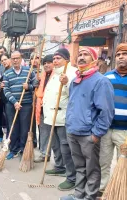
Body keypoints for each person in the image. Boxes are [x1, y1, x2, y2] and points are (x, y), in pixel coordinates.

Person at [60, 48, 115, 200]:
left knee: (92, 169)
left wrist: (96, 134)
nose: (81, 58)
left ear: (94, 60)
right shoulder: (75, 81)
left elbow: (106, 112)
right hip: (73, 130)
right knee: (79, 167)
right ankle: (79, 195)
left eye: (86, 55)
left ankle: (89, 197)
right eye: (80, 55)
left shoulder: (100, 81)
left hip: (88, 134)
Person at [43, 48, 77, 191]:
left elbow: (74, 93)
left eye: (59, 58)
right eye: (54, 59)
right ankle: (59, 167)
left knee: (66, 148)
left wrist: (67, 83)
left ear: (66, 60)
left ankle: (72, 177)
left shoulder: (71, 73)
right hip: (51, 117)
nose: (55, 61)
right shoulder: (54, 74)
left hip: (62, 117)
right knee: (55, 145)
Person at [99, 43, 127, 197]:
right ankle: (103, 189)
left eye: (124, 54)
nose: (121, 57)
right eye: (118, 55)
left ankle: (122, 191)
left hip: (125, 131)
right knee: (103, 161)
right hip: (106, 128)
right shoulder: (106, 77)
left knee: (124, 163)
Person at [3, 51, 37, 160]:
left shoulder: (29, 71)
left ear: (21, 58)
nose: (15, 60)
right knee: (13, 127)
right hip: (12, 104)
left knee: (24, 128)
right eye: (13, 58)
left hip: (26, 104)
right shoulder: (7, 73)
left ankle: (23, 149)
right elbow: (6, 90)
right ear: (10, 60)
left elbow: (36, 84)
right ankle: (13, 149)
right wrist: (14, 102)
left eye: (17, 58)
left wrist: (29, 87)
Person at [34, 54, 54, 163]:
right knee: (44, 133)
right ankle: (44, 154)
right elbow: (38, 92)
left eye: (49, 62)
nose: (46, 65)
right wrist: (35, 84)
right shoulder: (42, 76)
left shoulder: (56, 76)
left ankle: (59, 160)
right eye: (44, 63)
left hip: (53, 109)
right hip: (41, 109)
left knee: (55, 136)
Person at [0, 46, 8, 144]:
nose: (0, 53)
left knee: (8, 116)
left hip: (9, 96)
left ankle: (9, 136)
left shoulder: (11, 67)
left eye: (2, 52)